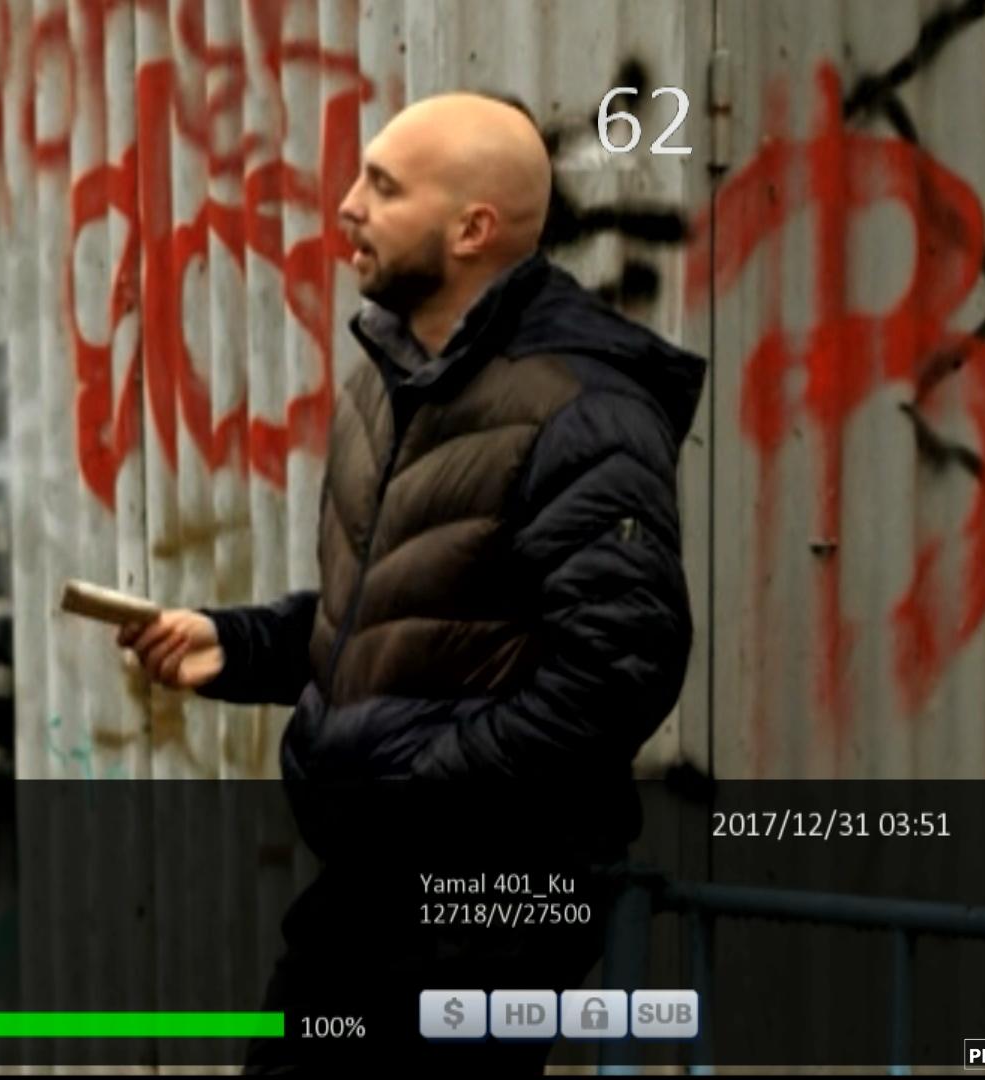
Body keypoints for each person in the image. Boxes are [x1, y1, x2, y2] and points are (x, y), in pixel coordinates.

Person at [120, 92, 707, 1071]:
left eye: (384, 188)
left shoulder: (585, 409)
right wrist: (240, 644)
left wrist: (424, 787)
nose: (347, 205)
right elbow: (404, 616)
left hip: (484, 910)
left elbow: (620, 666)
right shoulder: (393, 383)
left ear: (472, 229)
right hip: (374, 885)